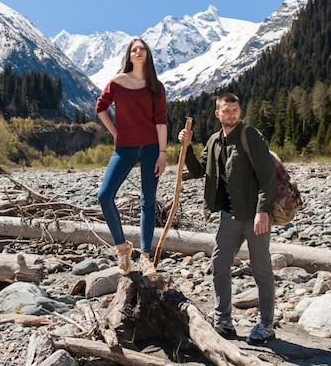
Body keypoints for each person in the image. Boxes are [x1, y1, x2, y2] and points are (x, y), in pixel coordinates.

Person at [178, 92, 278, 345]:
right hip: (228, 217)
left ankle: (266, 325)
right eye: (226, 110)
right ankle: (223, 320)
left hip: (254, 216)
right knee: (220, 265)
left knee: (262, 270)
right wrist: (187, 147)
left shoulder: (250, 136)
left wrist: (263, 210)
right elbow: (198, 171)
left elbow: (268, 176)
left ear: (239, 112)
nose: (231, 114)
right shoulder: (213, 141)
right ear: (217, 113)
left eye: (235, 110)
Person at [96, 38, 167, 276]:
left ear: (147, 55)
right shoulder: (117, 82)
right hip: (124, 148)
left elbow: (161, 122)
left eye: (142, 49)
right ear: (128, 55)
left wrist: (163, 154)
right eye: (133, 49)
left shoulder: (156, 86)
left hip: (151, 148)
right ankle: (122, 247)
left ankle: (145, 257)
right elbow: (100, 107)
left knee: (148, 200)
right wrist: (115, 133)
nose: (138, 52)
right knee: (105, 195)